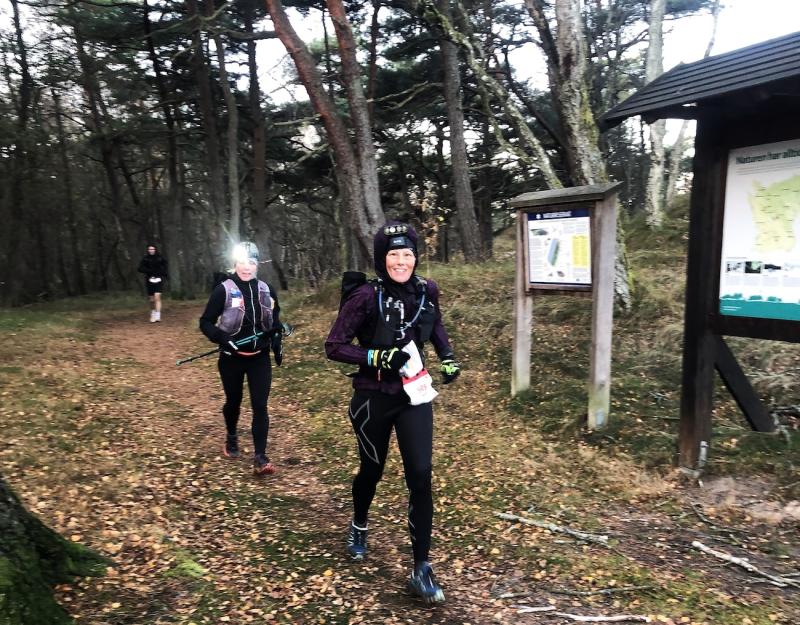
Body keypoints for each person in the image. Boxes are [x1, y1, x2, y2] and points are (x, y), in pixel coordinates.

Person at [324, 221, 461, 605]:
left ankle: (421, 567)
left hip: (413, 396)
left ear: (415, 257)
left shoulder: (426, 290)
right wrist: (375, 355)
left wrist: (447, 357)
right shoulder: (365, 296)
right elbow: (333, 346)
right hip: (372, 398)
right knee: (373, 469)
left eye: (407, 254)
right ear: (382, 259)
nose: (401, 261)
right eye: (393, 255)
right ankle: (359, 524)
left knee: (420, 475)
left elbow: (435, 326)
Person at [199, 242, 284, 476]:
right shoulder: (223, 290)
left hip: (259, 358)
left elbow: (275, 321)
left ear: (258, 265)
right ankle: (231, 435)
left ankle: (260, 457)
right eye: (242, 262)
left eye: (252, 263)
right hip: (231, 358)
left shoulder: (267, 290)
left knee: (260, 405)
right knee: (233, 402)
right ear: (234, 264)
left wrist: (277, 336)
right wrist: (221, 338)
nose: (247, 268)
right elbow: (205, 322)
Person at [138, 244, 168, 322]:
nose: (151, 250)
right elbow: (140, 268)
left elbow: (165, 267)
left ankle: (158, 315)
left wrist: (163, 274)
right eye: (150, 249)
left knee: (157, 297)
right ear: (148, 250)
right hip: (149, 280)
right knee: (151, 300)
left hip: (159, 279)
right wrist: (149, 271)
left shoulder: (160, 258)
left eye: (153, 249)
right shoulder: (145, 259)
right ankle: (153, 313)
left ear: (155, 250)